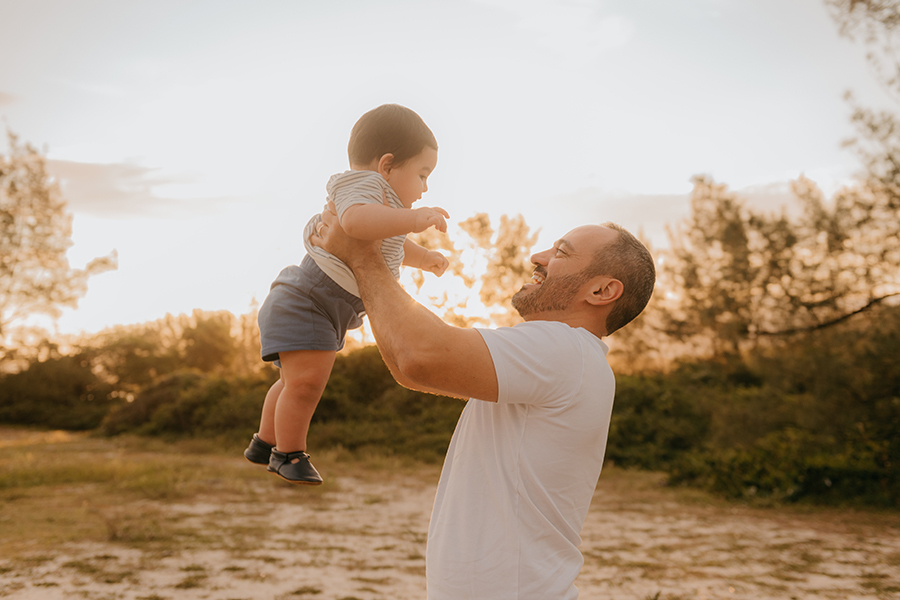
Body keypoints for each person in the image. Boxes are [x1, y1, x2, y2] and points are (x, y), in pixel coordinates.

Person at [311, 207, 655, 599]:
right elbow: (409, 368)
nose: (538, 257)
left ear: (601, 291)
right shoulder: (570, 358)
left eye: (561, 252)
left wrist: (362, 255)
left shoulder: (564, 349)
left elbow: (420, 355)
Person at [243, 104, 450, 485]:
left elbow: (391, 246)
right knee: (305, 384)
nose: (424, 188)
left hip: (322, 303)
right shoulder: (364, 187)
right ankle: (288, 454)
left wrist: (426, 260)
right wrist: (415, 220)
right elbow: (354, 223)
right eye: (422, 175)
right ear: (387, 165)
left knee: (294, 381)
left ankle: (264, 441)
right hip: (311, 298)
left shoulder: (383, 207)